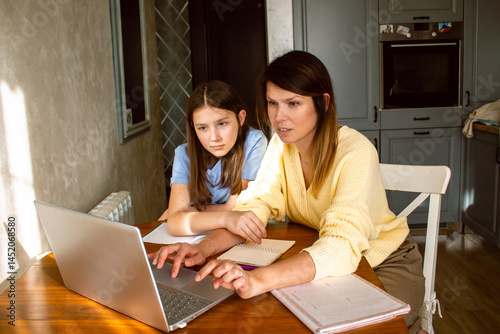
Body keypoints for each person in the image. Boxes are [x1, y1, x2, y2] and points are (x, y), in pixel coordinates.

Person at [149, 51, 426, 334]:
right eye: (272, 103)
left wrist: (258, 280)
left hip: (384, 263)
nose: (279, 117)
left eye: (293, 103)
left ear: (323, 103)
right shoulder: (281, 147)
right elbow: (252, 211)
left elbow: (341, 246)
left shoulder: (355, 151)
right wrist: (202, 249)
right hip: (326, 263)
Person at [158, 80, 268, 240]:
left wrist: (188, 212)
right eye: (202, 128)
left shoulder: (254, 142)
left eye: (222, 123)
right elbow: (174, 224)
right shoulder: (184, 154)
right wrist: (225, 215)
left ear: (241, 118)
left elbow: (237, 208)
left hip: (237, 238)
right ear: (193, 127)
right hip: (194, 240)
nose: (214, 137)